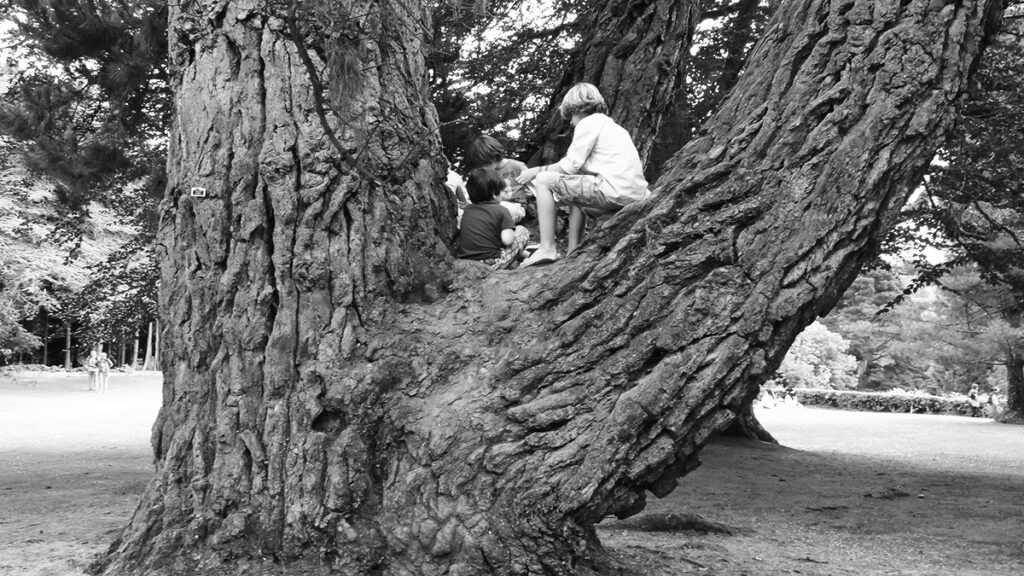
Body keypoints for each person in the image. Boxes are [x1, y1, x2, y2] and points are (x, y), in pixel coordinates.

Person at [516, 82, 650, 267]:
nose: (570, 122)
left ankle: (547, 247)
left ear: (574, 108)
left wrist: (537, 171)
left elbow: (570, 166)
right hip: (633, 194)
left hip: (611, 190)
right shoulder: (612, 127)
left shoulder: (588, 123)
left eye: (570, 117)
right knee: (575, 192)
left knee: (543, 180)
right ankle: (573, 252)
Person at [455, 168, 531, 270]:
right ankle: (520, 255)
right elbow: (507, 240)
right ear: (494, 194)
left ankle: (523, 255)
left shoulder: (468, 211)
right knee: (522, 231)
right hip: (490, 264)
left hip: (466, 263)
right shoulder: (502, 211)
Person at [463, 134, 527, 222]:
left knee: (498, 212)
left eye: (483, 164)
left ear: (493, 156)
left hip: (515, 206)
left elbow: (534, 185)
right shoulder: (486, 174)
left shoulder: (516, 166)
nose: (482, 168)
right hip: (493, 206)